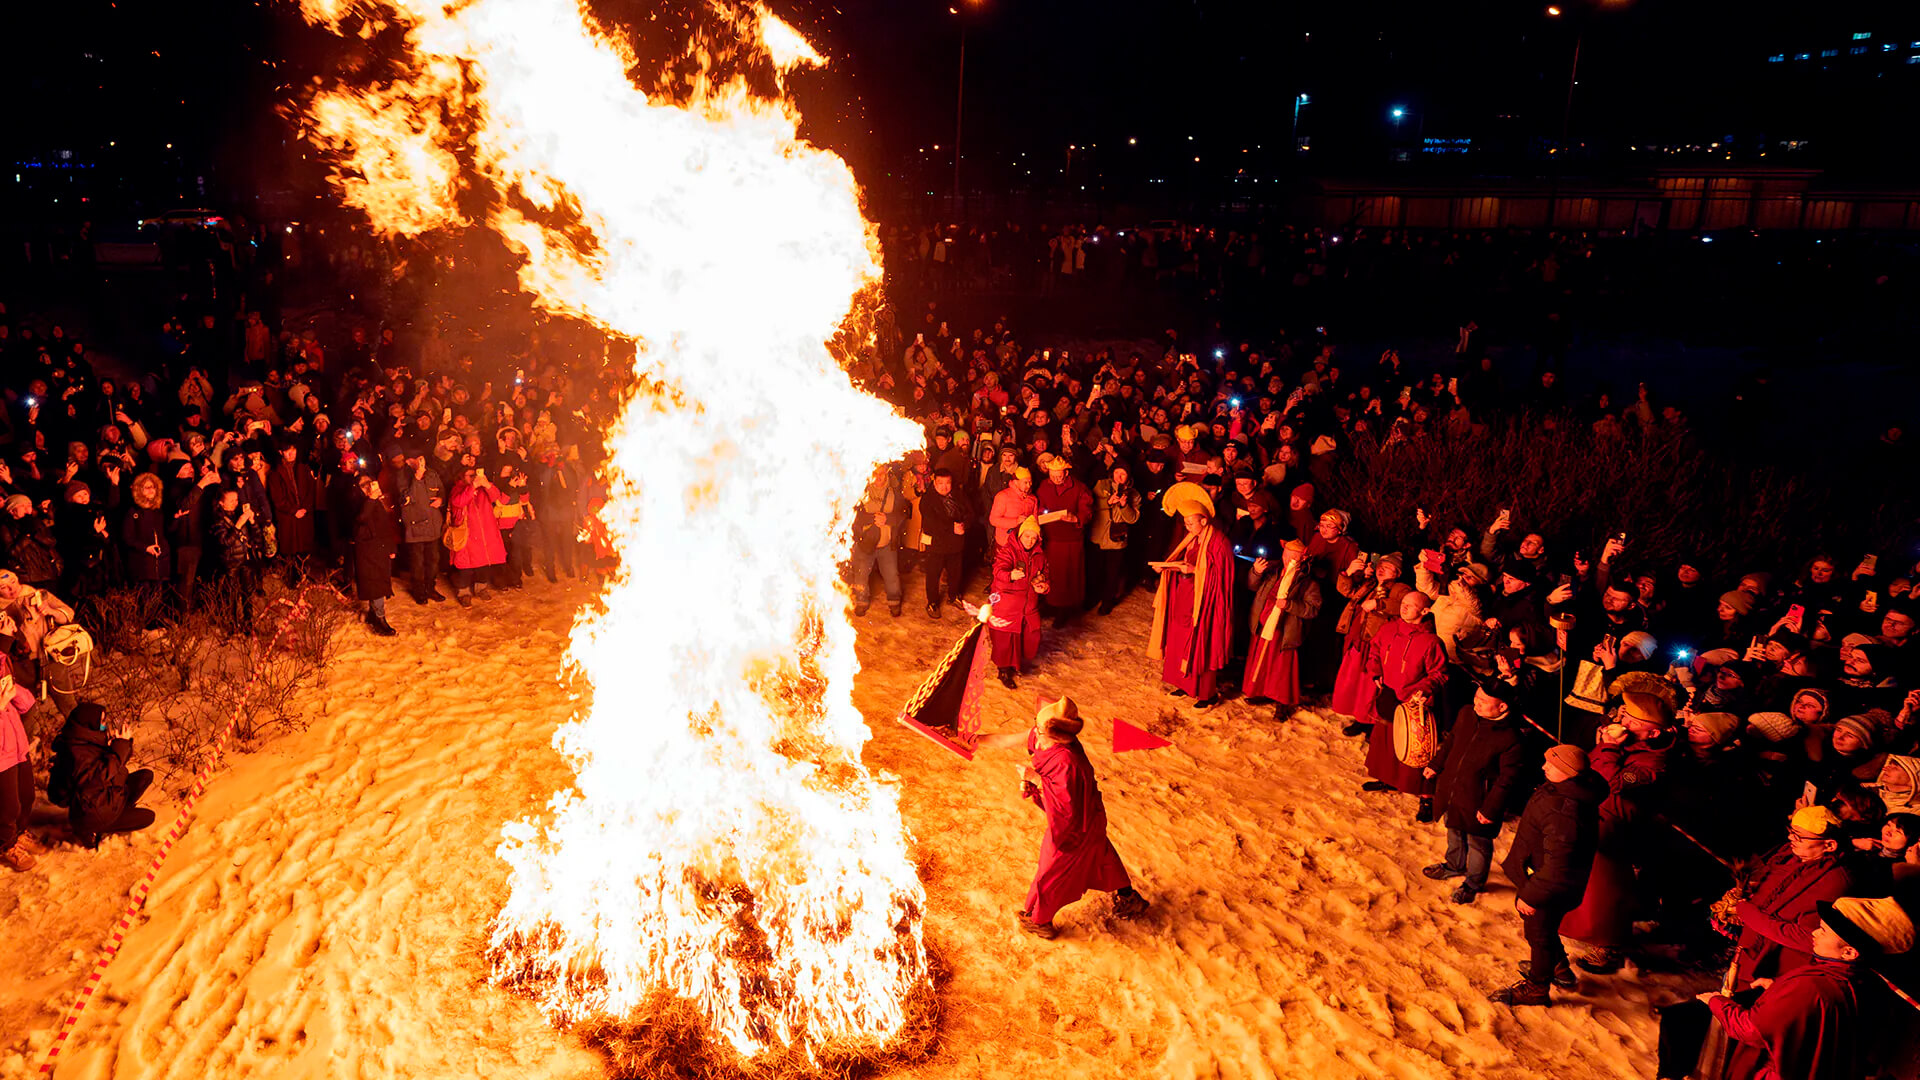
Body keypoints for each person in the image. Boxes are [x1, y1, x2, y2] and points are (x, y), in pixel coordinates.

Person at [1663, 896, 1912, 1080]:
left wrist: (1717, 1002)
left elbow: (1751, 1029)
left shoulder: (1813, 985)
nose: (1814, 932)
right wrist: (1778, 989)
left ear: (1849, 952)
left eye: (1824, 931)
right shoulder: (1863, 978)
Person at [978, 696, 1148, 939]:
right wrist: (972, 740)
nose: (1034, 732)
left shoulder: (1068, 761)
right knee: (1101, 854)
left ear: (1055, 734)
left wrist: (1035, 779)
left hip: (1077, 825)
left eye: (1039, 728)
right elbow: (1004, 740)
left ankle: (1040, 922)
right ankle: (1129, 897)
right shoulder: (1041, 735)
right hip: (1089, 818)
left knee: (1052, 869)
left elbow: (1066, 809)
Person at [1489, 744, 1605, 1005]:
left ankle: (1536, 988)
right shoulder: (1565, 789)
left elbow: (1558, 865)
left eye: (1551, 765)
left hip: (1547, 886)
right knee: (1544, 930)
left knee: (1539, 935)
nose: (1544, 768)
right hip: (1542, 878)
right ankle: (1559, 968)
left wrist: (1531, 896)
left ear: (1567, 772)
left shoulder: (1564, 811)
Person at [1422, 681, 1528, 904]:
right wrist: (1437, 764)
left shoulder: (1511, 738)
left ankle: (1473, 883)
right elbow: (1452, 741)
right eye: (1476, 697)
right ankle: (1454, 865)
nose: (1476, 703)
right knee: (1453, 830)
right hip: (1453, 789)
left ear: (1502, 707)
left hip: (1479, 801)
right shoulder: (1467, 714)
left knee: (1478, 843)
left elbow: (1507, 780)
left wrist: (1491, 809)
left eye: (1484, 701)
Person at [1362, 591, 1448, 819]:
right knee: (1386, 743)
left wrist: (1420, 691)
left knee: (1417, 750)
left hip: (1415, 701)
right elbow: (1375, 651)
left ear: (1425, 611)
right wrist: (1376, 672)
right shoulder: (1389, 628)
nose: (1404, 608)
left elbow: (1439, 674)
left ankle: (1426, 799)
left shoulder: (1432, 642)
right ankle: (1388, 779)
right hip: (1388, 693)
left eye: (1411, 605)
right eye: (1403, 603)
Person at [1150, 499, 1235, 708]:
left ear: (1204, 521)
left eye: (1191, 523)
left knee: (1200, 642)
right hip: (1185, 596)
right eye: (1186, 524)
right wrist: (1166, 568)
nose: (1188, 528)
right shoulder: (1192, 538)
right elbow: (1181, 561)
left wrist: (1194, 570)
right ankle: (1184, 684)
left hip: (1205, 601)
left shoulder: (1219, 542)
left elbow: (1222, 575)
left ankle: (1207, 695)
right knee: (1179, 638)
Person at [46, 700, 157, 848]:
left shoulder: (85, 740)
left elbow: (116, 763)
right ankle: (96, 829)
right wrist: (119, 746)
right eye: (102, 721)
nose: (105, 724)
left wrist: (121, 743)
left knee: (145, 776)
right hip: (94, 814)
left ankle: (119, 811)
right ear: (89, 724)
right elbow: (99, 776)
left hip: (105, 798)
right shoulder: (77, 754)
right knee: (148, 817)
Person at [1240, 539, 1322, 715]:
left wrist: (1289, 605)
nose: (1288, 559)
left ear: (1302, 558)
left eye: (1294, 556)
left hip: (1284, 631)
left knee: (1281, 669)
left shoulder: (1307, 582)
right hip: (1263, 625)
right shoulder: (1272, 571)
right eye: (1287, 555)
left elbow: (1313, 609)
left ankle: (1281, 702)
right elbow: (1252, 585)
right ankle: (1262, 692)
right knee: (1261, 664)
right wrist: (1256, 572)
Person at [987, 516, 1048, 687]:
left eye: (1034, 537)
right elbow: (998, 570)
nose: (1030, 541)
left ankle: (1016, 663)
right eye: (1027, 536)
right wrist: (1010, 575)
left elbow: (1046, 575)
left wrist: (1043, 586)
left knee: (1029, 636)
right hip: (1007, 603)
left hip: (1028, 604)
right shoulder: (1008, 551)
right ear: (1020, 535)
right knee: (1005, 641)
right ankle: (1004, 670)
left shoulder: (1039, 555)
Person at [1034, 454, 1093, 625]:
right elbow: (1039, 505)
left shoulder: (1080, 488)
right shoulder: (1044, 486)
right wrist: (1042, 513)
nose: (1057, 478)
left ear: (1066, 473)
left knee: (1068, 576)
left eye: (1060, 475)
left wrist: (1076, 518)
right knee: (1051, 573)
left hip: (1071, 540)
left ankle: (1065, 609)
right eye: (1053, 475)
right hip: (1051, 539)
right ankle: (1051, 604)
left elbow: (1087, 510)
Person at [0, 655, 41, 871]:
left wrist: (12, 687)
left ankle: (19, 832)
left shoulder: (3, 663)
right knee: (8, 808)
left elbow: (27, 705)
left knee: (27, 796)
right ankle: (7, 845)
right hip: (1, 758)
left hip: (17, 748)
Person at [850, 465, 906, 618]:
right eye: (876, 473)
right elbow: (852, 514)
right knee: (861, 574)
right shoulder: (860, 491)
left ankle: (894, 600)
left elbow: (903, 514)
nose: (879, 477)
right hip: (865, 543)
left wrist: (888, 519)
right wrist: (874, 517)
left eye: (882, 473)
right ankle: (861, 601)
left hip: (887, 544)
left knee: (891, 575)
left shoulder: (894, 492)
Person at [447, 466, 507, 607]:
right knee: (465, 567)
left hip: (485, 533)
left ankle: (481, 588)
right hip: (467, 535)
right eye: (470, 475)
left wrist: (486, 484)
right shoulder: (458, 488)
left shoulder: (483, 489)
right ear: (462, 477)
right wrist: (472, 487)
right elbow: (458, 502)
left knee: (484, 564)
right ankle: (464, 593)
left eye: (475, 475)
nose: (473, 477)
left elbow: (497, 497)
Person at [1086, 464, 1139, 616]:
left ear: (1128, 476)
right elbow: (1090, 505)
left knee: (1112, 573)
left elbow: (1133, 518)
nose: (1119, 477)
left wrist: (1124, 506)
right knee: (1095, 570)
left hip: (1117, 539)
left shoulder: (1133, 494)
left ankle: (1107, 601)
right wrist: (1107, 502)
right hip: (1098, 535)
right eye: (1117, 473)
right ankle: (1092, 598)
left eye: (1123, 474)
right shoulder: (1100, 485)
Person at [918, 467, 970, 619]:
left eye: (947, 483)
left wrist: (964, 525)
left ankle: (953, 596)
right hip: (937, 545)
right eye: (940, 483)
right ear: (934, 483)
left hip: (956, 544)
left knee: (956, 573)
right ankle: (932, 602)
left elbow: (970, 513)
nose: (944, 486)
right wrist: (952, 527)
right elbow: (929, 523)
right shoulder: (927, 500)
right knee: (933, 575)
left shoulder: (959, 495)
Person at [353, 475, 399, 636]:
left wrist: (391, 547)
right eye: (362, 484)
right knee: (375, 585)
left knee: (379, 583)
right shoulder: (356, 502)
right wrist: (371, 499)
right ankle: (380, 618)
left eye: (369, 483)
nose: (367, 486)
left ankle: (374, 614)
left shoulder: (377, 502)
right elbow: (362, 518)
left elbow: (386, 526)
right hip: (367, 550)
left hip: (380, 548)